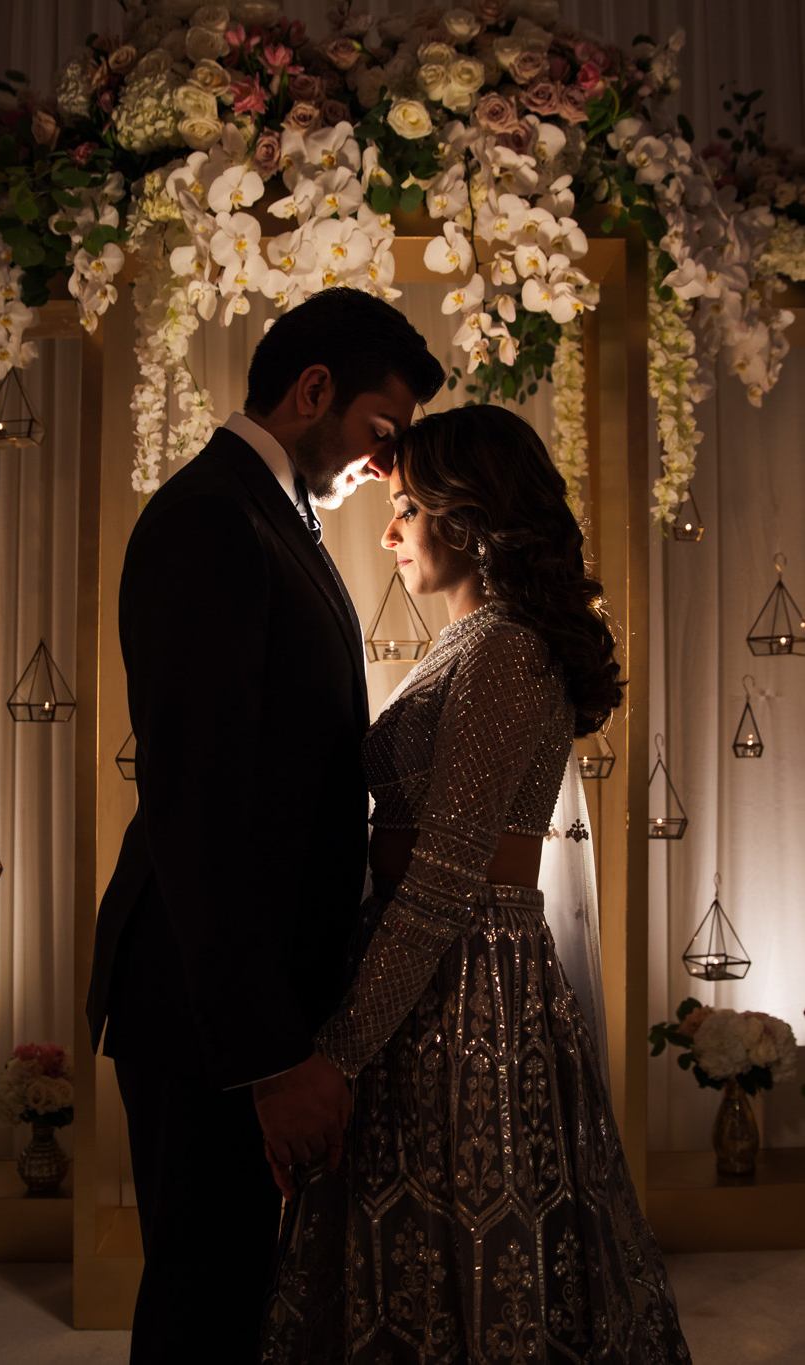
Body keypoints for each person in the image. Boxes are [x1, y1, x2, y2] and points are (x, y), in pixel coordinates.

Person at [262, 405, 691, 1362]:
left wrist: (339, 1049)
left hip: (466, 991)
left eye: (407, 508)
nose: (387, 532)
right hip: (430, 975)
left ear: (468, 518)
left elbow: (447, 877)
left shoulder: (504, 650)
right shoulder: (467, 640)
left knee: (470, 1250)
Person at [85, 288, 445, 1363]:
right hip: (207, 1013)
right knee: (205, 1304)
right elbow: (199, 804)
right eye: (383, 433)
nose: (388, 468)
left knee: (242, 1301)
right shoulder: (211, 518)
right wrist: (269, 1058)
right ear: (313, 391)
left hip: (249, 1001)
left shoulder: (269, 513)